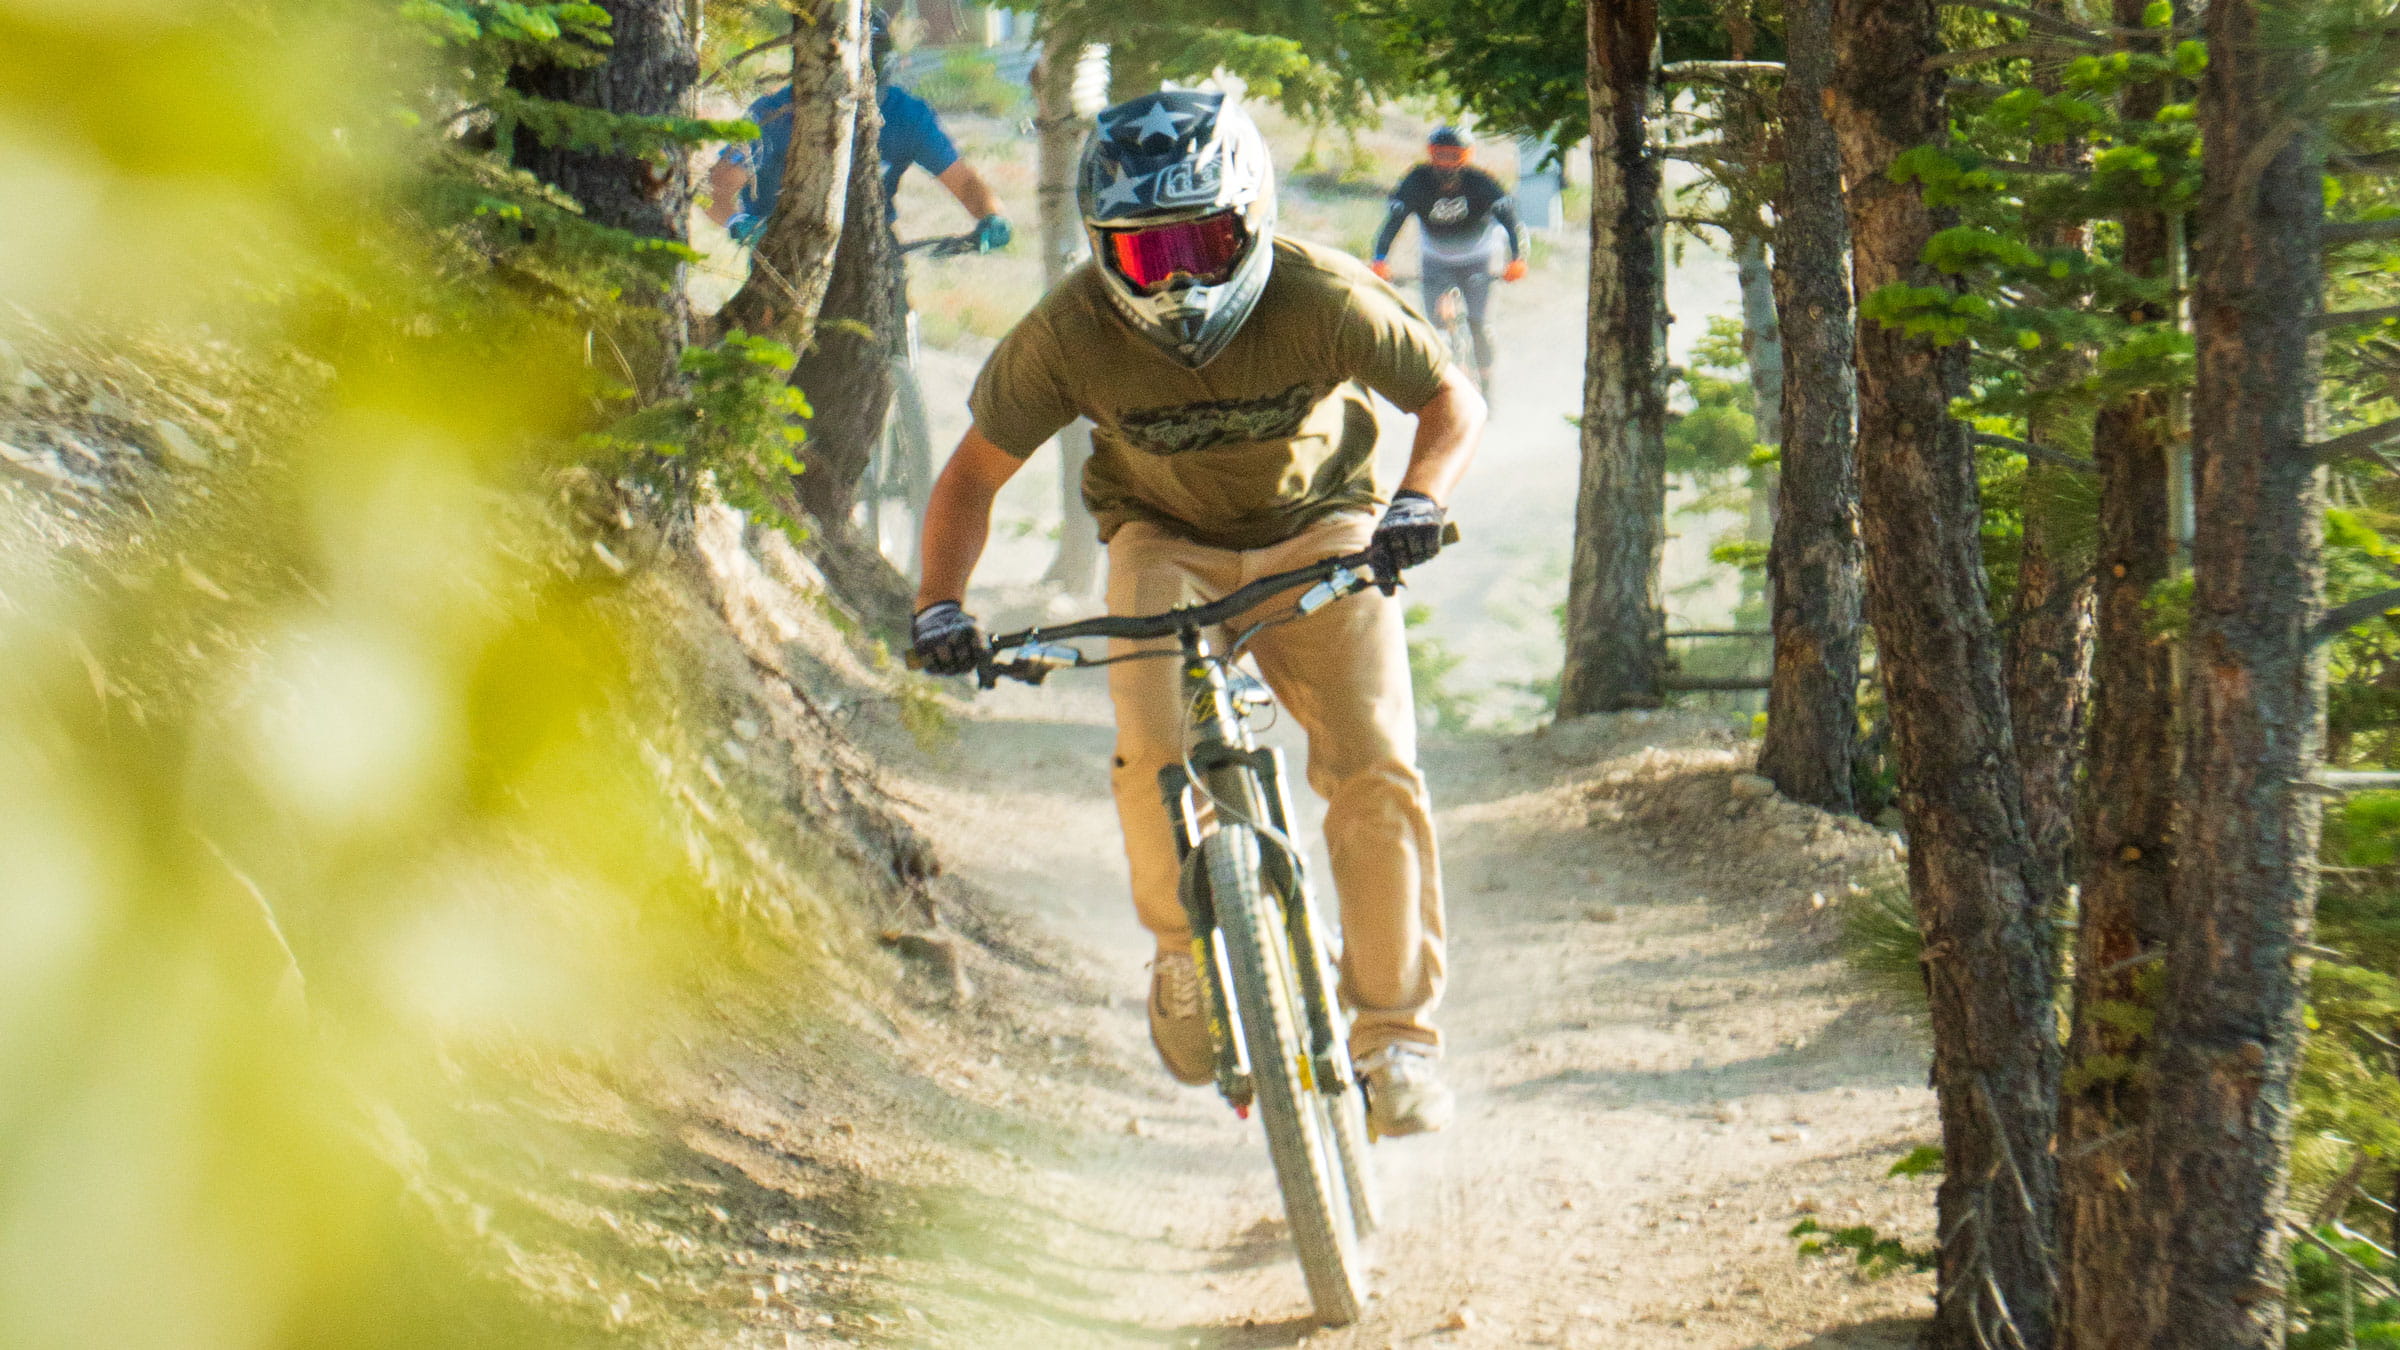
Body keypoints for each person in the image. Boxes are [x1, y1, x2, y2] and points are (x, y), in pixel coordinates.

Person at [908, 91, 1488, 1138]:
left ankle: (1396, 1039)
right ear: (1101, 251)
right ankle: (1183, 951)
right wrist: (939, 607)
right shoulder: (1070, 332)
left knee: (1374, 771)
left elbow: (1452, 402)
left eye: (1201, 242)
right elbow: (968, 480)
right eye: (1142, 255)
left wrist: (1418, 501)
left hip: (1322, 528)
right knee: (1152, 756)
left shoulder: (1320, 296)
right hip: (1161, 539)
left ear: (1252, 217)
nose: (1176, 276)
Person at [704, 8, 1010, 253]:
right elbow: (717, 188)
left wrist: (991, 217)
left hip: (870, 258)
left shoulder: (905, 116)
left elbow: (964, 181)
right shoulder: (775, 114)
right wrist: (739, 223)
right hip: (786, 253)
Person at [1368, 126, 1527, 393]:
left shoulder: (1481, 182)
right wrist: (1380, 259)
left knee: (1480, 325)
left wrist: (1517, 259)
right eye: (1440, 155)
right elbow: (1393, 222)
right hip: (1436, 259)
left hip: (1480, 258)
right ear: (1430, 155)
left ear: (1467, 157)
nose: (1446, 163)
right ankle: (1444, 385)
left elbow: (1511, 220)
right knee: (1435, 327)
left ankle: (1486, 384)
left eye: (1454, 156)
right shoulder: (1416, 181)